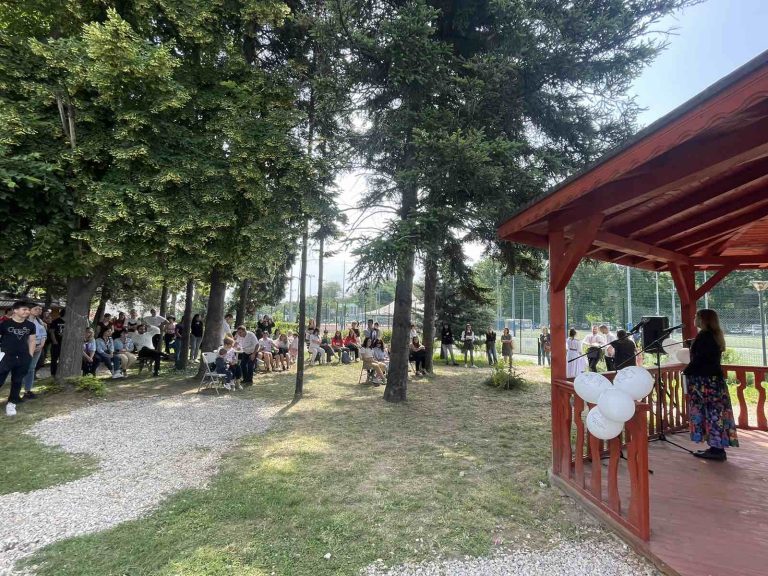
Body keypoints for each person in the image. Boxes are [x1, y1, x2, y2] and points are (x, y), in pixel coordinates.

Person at [684, 309, 738, 461]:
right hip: (714, 382)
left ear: (703, 319)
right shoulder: (714, 335)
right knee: (716, 414)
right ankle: (715, 447)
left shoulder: (704, 336)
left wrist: (686, 371)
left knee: (711, 413)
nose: (694, 319)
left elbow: (700, 359)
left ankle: (717, 450)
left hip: (705, 383)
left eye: (696, 316)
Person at [0, 301, 36, 416]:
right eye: (24, 309)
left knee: (17, 381)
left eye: (28, 310)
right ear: (15, 310)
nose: (27, 311)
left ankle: (12, 403)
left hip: (23, 357)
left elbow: (32, 340)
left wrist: (30, 355)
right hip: (6, 357)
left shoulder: (30, 325)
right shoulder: (4, 324)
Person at [22, 302, 46, 399]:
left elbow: (44, 334)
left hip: (38, 347)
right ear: (30, 310)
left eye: (39, 309)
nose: (38, 311)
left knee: (31, 368)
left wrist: (41, 345)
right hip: (26, 347)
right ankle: (17, 390)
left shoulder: (39, 321)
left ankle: (28, 391)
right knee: (23, 368)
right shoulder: (23, 321)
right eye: (36, 309)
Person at [49, 308, 65, 377]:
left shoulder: (70, 321)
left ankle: (62, 372)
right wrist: (55, 341)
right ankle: (53, 374)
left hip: (66, 344)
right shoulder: (56, 321)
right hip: (56, 343)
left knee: (63, 358)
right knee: (54, 359)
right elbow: (51, 332)